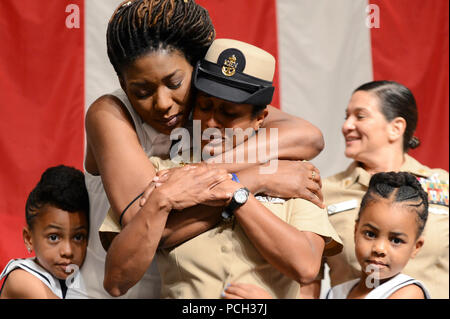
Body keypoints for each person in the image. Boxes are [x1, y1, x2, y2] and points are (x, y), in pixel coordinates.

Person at [75, 0, 325, 299]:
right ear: (122, 82)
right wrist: (256, 179)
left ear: (197, 68)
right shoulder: (109, 113)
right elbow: (149, 223)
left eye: (175, 82)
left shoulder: (208, 105)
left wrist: (203, 174)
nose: (163, 103)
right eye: (141, 91)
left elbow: (308, 137)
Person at [301, 80, 449, 299]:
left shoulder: (444, 184)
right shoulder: (321, 192)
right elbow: (308, 280)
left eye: (360, 116)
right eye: (346, 117)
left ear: (396, 127)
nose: (346, 126)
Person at [326, 171, 431, 299]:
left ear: (416, 247)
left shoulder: (408, 294)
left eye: (396, 240)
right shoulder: (335, 293)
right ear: (356, 231)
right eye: (370, 234)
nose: (379, 249)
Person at [0, 165, 89, 299]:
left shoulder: (76, 277)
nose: (68, 251)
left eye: (78, 237)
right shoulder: (21, 279)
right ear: (29, 239)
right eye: (54, 237)